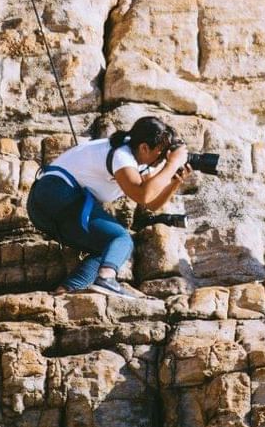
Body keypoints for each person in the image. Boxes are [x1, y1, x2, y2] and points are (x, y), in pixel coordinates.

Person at [26, 117, 191, 298]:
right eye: (160, 153)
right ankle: (106, 279)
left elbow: (150, 203)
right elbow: (143, 194)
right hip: (56, 192)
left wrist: (174, 182)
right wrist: (172, 163)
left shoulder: (135, 159)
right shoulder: (122, 155)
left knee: (108, 248)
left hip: (43, 207)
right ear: (144, 147)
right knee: (121, 238)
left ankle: (67, 290)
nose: (161, 159)